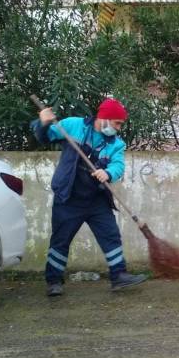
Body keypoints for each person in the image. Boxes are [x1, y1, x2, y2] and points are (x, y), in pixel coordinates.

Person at [31, 98, 147, 296]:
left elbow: (118, 165)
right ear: (105, 118)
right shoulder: (72, 126)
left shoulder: (116, 144)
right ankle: (54, 282)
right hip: (68, 197)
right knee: (61, 240)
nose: (118, 128)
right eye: (117, 123)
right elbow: (44, 137)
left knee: (110, 236)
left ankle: (118, 276)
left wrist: (108, 173)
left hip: (96, 200)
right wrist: (43, 122)